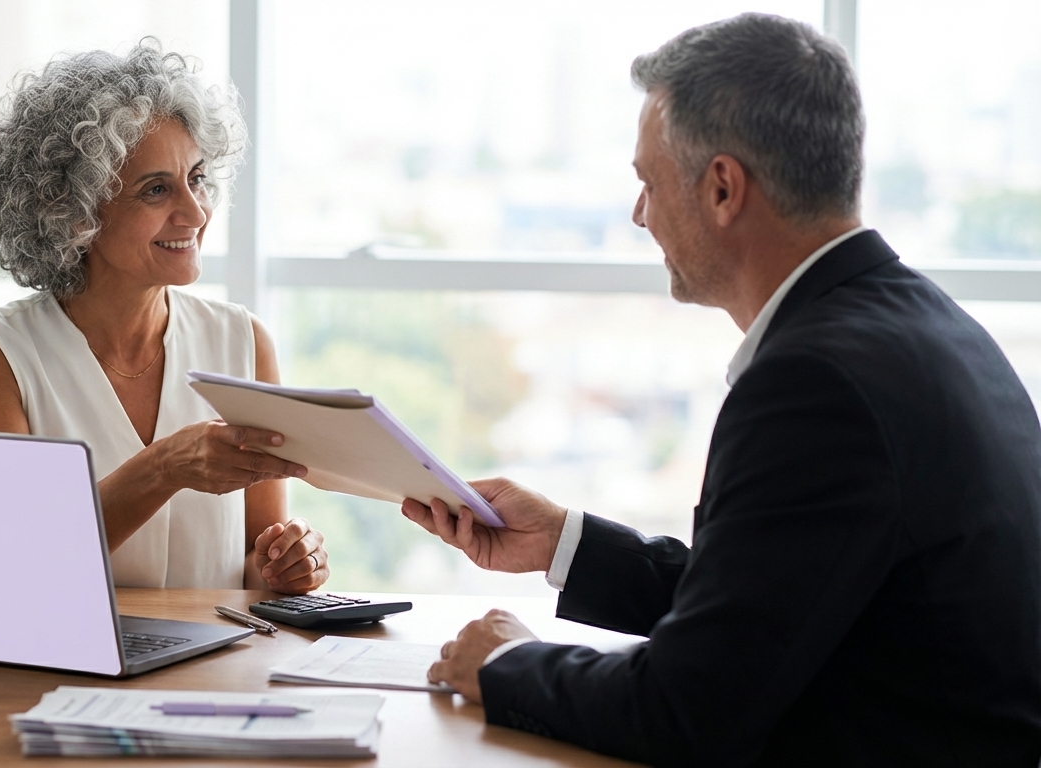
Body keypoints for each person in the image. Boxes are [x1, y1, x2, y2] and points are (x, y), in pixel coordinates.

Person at [403, 13, 1041, 766]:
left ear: (722, 187)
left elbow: (683, 710)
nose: (640, 216)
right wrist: (564, 543)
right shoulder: (927, 325)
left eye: (647, 182)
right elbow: (767, 606)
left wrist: (509, 664)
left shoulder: (814, 384)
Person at [0, 41, 330, 594]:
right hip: (67, 662)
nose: (196, 213)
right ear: (74, 213)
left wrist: (289, 564)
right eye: (156, 190)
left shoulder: (243, 341)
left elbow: (254, 559)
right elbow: (18, 558)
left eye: (197, 178)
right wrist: (163, 467)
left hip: (216, 669)